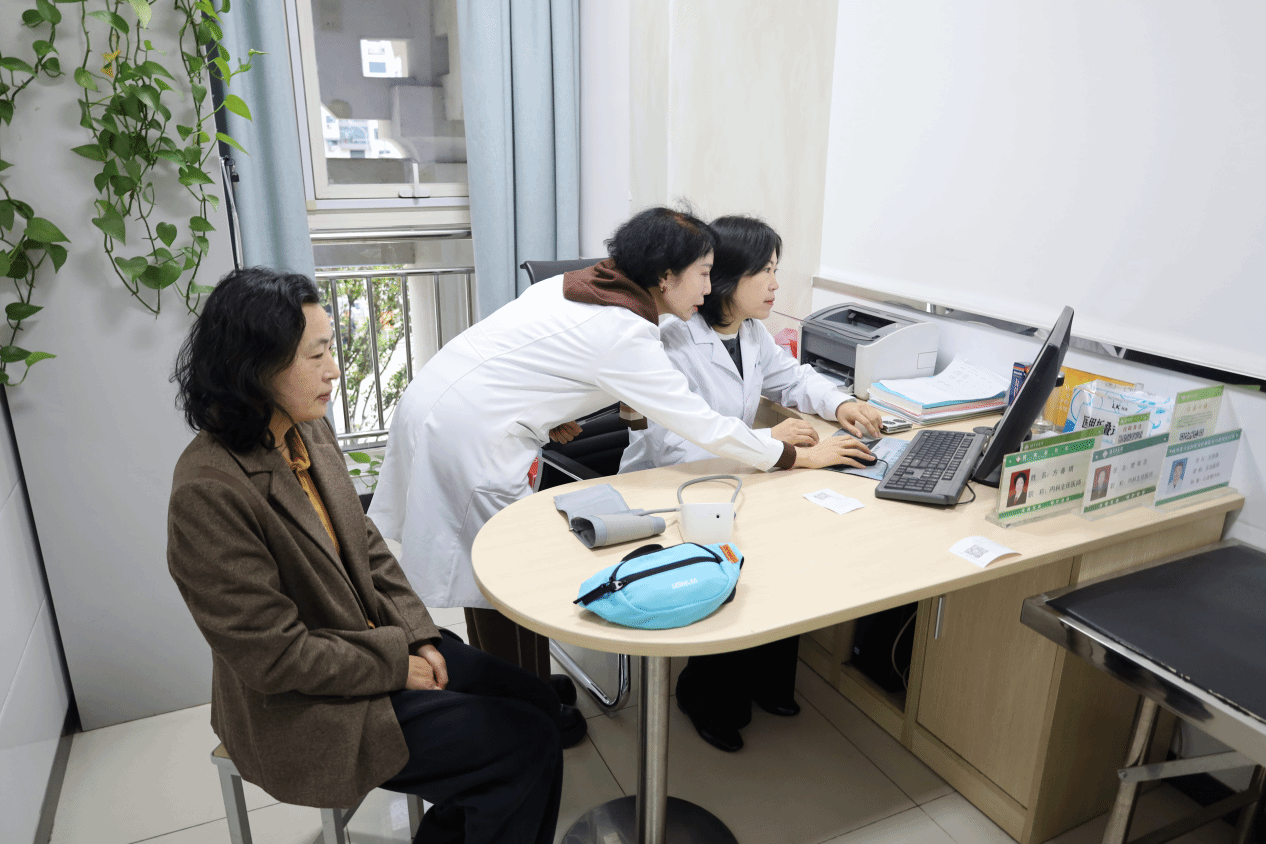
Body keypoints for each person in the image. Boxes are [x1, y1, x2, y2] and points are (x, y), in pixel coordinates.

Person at [368, 207, 866, 699]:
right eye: (702, 274)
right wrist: (793, 455)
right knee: (499, 577)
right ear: (665, 276)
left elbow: (526, 355)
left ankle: (520, 688)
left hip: (442, 401)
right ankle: (523, 704)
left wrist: (550, 407)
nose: (708, 288)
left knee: (484, 568)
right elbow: (700, 423)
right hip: (471, 433)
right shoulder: (626, 332)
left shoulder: (582, 287)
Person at [167, 268, 562, 844]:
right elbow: (276, 658)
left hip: (373, 645)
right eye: (316, 355)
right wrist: (396, 664)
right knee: (520, 745)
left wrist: (419, 635)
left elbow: (367, 546)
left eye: (331, 349)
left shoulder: (305, 429)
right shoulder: (208, 492)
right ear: (254, 367)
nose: (333, 369)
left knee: (539, 702)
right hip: (304, 703)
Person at [616, 215, 882, 752]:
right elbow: (677, 444)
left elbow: (795, 378)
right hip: (670, 485)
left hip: (737, 475)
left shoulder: (752, 332)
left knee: (792, 542)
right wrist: (774, 440)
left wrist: (842, 404)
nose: (776, 285)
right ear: (727, 278)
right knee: (740, 554)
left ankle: (768, 677)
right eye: (766, 272)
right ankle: (703, 692)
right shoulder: (671, 337)